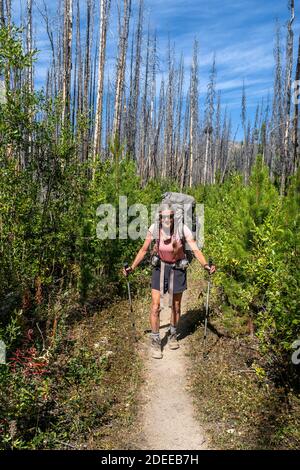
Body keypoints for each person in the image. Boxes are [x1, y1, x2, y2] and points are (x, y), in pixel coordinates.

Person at [123, 203, 216, 359]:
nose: (167, 219)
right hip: (160, 268)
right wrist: (132, 267)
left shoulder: (182, 229)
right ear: (160, 218)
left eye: (170, 216)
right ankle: (155, 340)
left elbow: (195, 249)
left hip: (177, 268)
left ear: (174, 217)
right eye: (164, 217)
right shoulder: (154, 229)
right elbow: (143, 249)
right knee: (155, 306)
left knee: (176, 306)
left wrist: (206, 265)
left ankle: (173, 333)